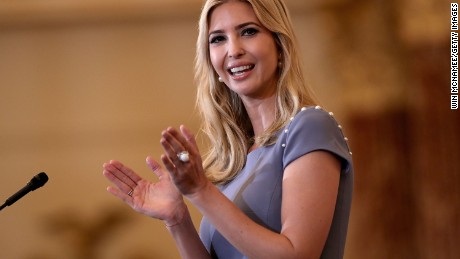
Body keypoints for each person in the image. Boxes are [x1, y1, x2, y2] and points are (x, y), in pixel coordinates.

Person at [102, 0, 354, 258]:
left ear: (279, 44)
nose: (233, 50)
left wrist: (201, 192)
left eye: (248, 31)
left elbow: (297, 255)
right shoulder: (234, 162)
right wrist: (177, 220)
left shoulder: (310, 126)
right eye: (218, 39)